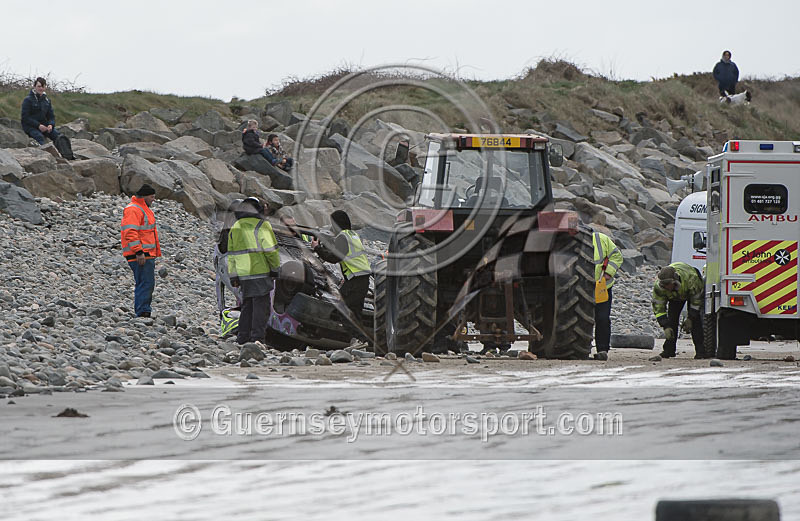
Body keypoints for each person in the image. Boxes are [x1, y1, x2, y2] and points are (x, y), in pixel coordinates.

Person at [227, 197, 280, 345]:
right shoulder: (262, 225)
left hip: (243, 274)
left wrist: (233, 276)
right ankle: (257, 338)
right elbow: (271, 251)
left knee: (247, 306)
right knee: (261, 308)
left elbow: (231, 255)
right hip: (260, 272)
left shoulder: (236, 226)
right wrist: (275, 269)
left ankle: (242, 337)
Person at [311, 210, 371, 323]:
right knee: (355, 313)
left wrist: (317, 248)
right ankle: (356, 334)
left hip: (355, 281)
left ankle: (340, 331)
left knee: (341, 310)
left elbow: (335, 258)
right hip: (363, 279)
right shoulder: (353, 235)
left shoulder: (342, 236)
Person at [121, 184, 162, 318]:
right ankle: (143, 312)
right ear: (144, 196)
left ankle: (143, 311)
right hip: (141, 254)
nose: (153, 199)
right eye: (152, 197)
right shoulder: (134, 209)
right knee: (145, 283)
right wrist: (138, 252)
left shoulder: (142, 209)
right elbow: (130, 232)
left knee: (145, 282)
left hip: (146, 254)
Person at [651, 262, 706, 359]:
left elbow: (696, 301)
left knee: (696, 322)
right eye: (663, 284)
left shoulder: (692, 280)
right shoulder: (659, 288)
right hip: (674, 297)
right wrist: (665, 326)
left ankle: (701, 351)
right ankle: (669, 350)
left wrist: (690, 318)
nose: (666, 287)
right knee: (672, 321)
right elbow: (659, 309)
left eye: (668, 284)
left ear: (675, 280)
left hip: (690, 291)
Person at [593, 231, 624, 361]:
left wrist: (608, 273)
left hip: (602, 287)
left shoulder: (601, 239)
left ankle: (602, 349)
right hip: (582, 287)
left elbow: (617, 256)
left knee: (602, 318)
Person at [20, 77, 62, 146]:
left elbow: (51, 116)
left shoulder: (47, 101)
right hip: (30, 127)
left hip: (44, 126)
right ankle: (46, 152)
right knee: (39, 137)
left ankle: (64, 152)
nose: (41, 88)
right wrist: (38, 125)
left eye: (43, 87)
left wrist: (50, 125)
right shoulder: (28, 100)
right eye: (39, 86)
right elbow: (25, 117)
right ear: (34, 87)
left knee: (58, 136)